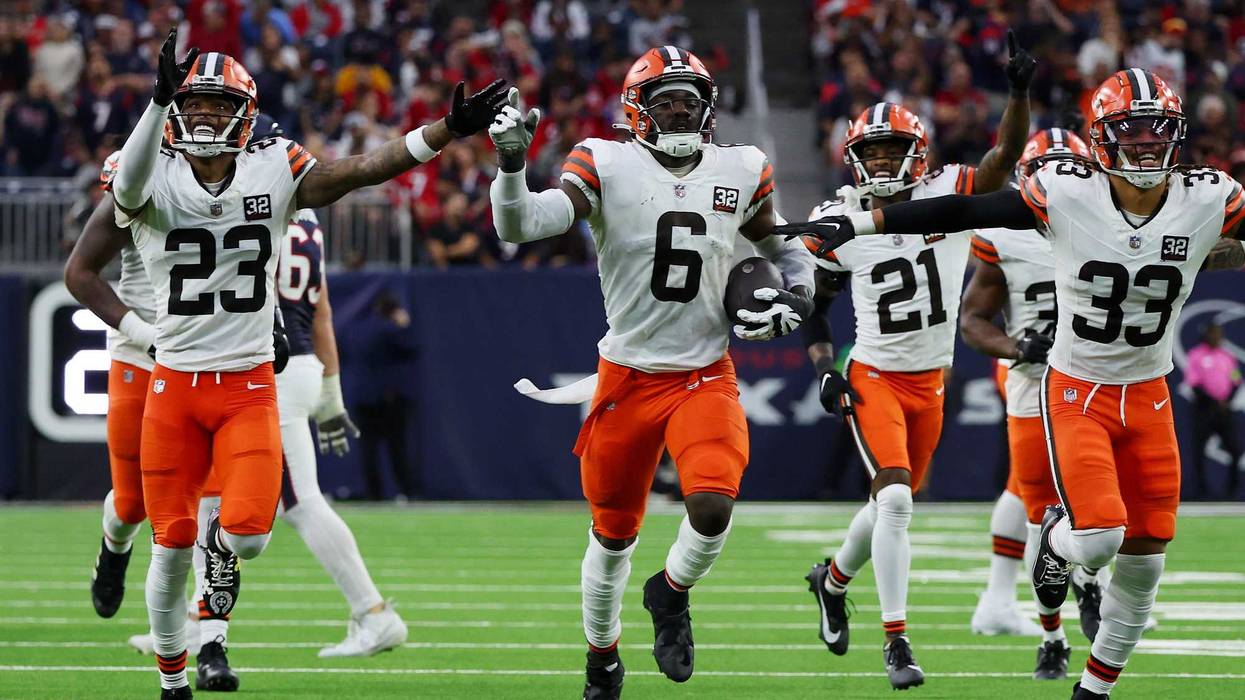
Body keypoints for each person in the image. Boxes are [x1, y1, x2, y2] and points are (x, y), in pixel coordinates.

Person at [783, 68, 1245, 700]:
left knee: (1146, 566)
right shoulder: (1066, 194)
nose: (1144, 144)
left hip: (1151, 390)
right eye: (1129, 133)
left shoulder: (1208, 197)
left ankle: (1092, 689)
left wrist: (1214, 253)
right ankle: (1045, 546)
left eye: (1156, 131)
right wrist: (867, 225)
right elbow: (974, 204)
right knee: (1096, 535)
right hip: (1073, 384)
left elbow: (1218, 244)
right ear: (1100, 141)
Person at [72, 29, 506, 698]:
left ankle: (215, 581)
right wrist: (143, 333)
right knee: (168, 546)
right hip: (174, 384)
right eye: (196, 105)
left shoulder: (275, 166)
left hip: (249, 383)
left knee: (245, 536)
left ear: (247, 117)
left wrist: (444, 130)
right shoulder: (148, 171)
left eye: (221, 106)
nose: (207, 117)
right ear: (174, 112)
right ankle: (172, 679)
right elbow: (92, 250)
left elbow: (359, 169)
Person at [488, 46, 815, 699]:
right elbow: (519, 225)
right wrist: (510, 167)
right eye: (663, 99)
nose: (675, 109)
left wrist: (798, 298)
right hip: (628, 375)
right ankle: (600, 657)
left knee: (713, 503)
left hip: (703, 370)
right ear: (635, 110)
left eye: (686, 100)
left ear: (707, 110)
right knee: (612, 536)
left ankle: (669, 594)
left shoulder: (741, 167)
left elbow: (781, 245)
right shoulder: (604, 162)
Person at [796, 31, 1036, 691]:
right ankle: (896, 642)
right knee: (896, 499)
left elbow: (1004, 156)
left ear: (916, 156)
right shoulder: (839, 218)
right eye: (867, 152)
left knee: (888, 505)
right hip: (874, 372)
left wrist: (1016, 93)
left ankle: (831, 579)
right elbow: (812, 306)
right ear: (850, 159)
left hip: (933, 380)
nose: (877, 163)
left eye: (888, 150)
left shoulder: (951, 193)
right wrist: (824, 365)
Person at [959, 128, 1101, 679]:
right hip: (1034, 378)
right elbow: (973, 320)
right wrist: (1017, 346)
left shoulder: (1112, 225)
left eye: (1072, 171)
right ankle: (1053, 634)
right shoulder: (1004, 236)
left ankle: (1091, 581)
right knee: (1041, 509)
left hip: (1097, 377)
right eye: (1050, 173)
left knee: (1102, 507)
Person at [1183, 321, 1242, 497]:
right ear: (1206, 335)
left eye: (1219, 333)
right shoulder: (1196, 355)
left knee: (1235, 449)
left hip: (1224, 410)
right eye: (1213, 333)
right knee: (1198, 451)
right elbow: (1193, 383)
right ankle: (1201, 492)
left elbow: (1236, 380)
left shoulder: (1228, 357)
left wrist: (1227, 400)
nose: (1217, 337)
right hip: (1204, 409)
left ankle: (1231, 492)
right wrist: (1214, 402)